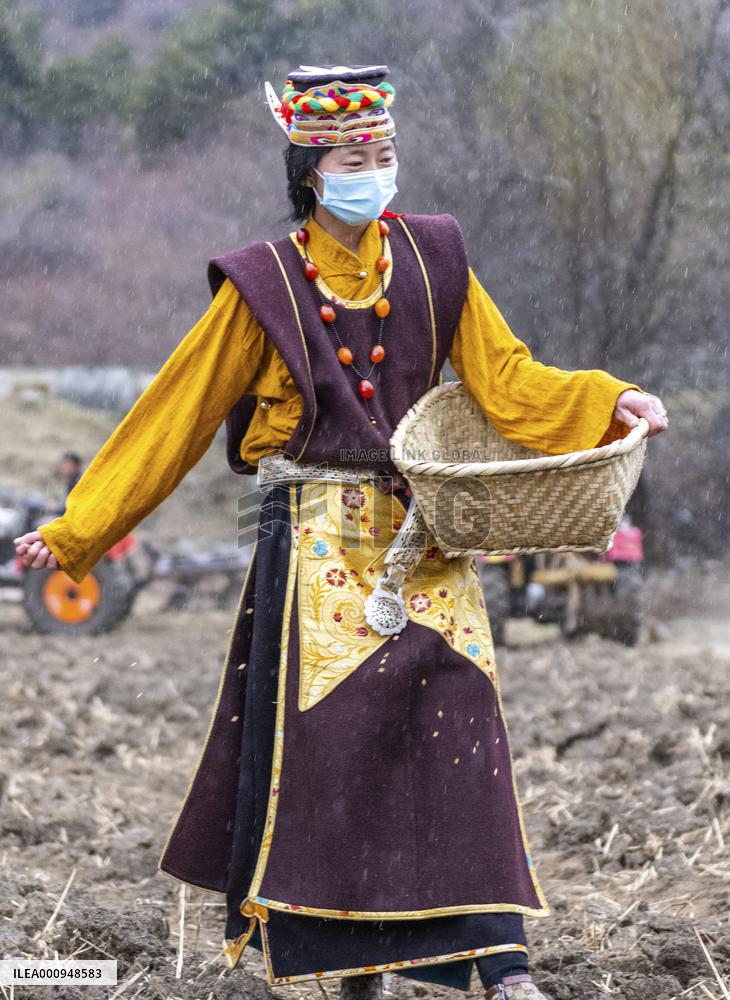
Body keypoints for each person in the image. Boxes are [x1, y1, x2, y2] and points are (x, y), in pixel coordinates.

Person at [14, 64, 668, 1000]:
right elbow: (176, 413)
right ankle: (355, 965)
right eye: (358, 155)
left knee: (460, 716)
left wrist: (611, 400)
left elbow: (511, 381)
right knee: (338, 748)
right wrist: (81, 530)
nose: (378, 168)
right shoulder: (264, 286)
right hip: (316, 537)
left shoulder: (437, 257)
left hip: (426, 529)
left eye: (388, 152)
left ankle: (499, 962)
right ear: (314, 171)